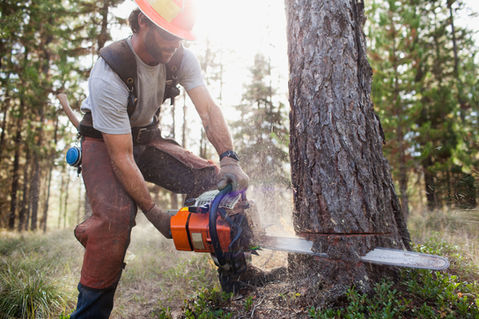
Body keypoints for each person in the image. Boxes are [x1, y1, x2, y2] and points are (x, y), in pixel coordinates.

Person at [69, 0, 249, 317]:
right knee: (114, 222)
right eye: (168, 34)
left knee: (215, 181)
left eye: (179, 37)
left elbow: (207, 109)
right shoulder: (110, 70)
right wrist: (153, 212)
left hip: (145, 136)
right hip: (103, 142)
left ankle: (240, 278)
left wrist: (229, 158)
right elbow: (122, 157)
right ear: (141, 22)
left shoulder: (180, 57)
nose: (173, 44)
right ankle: (89, 314)